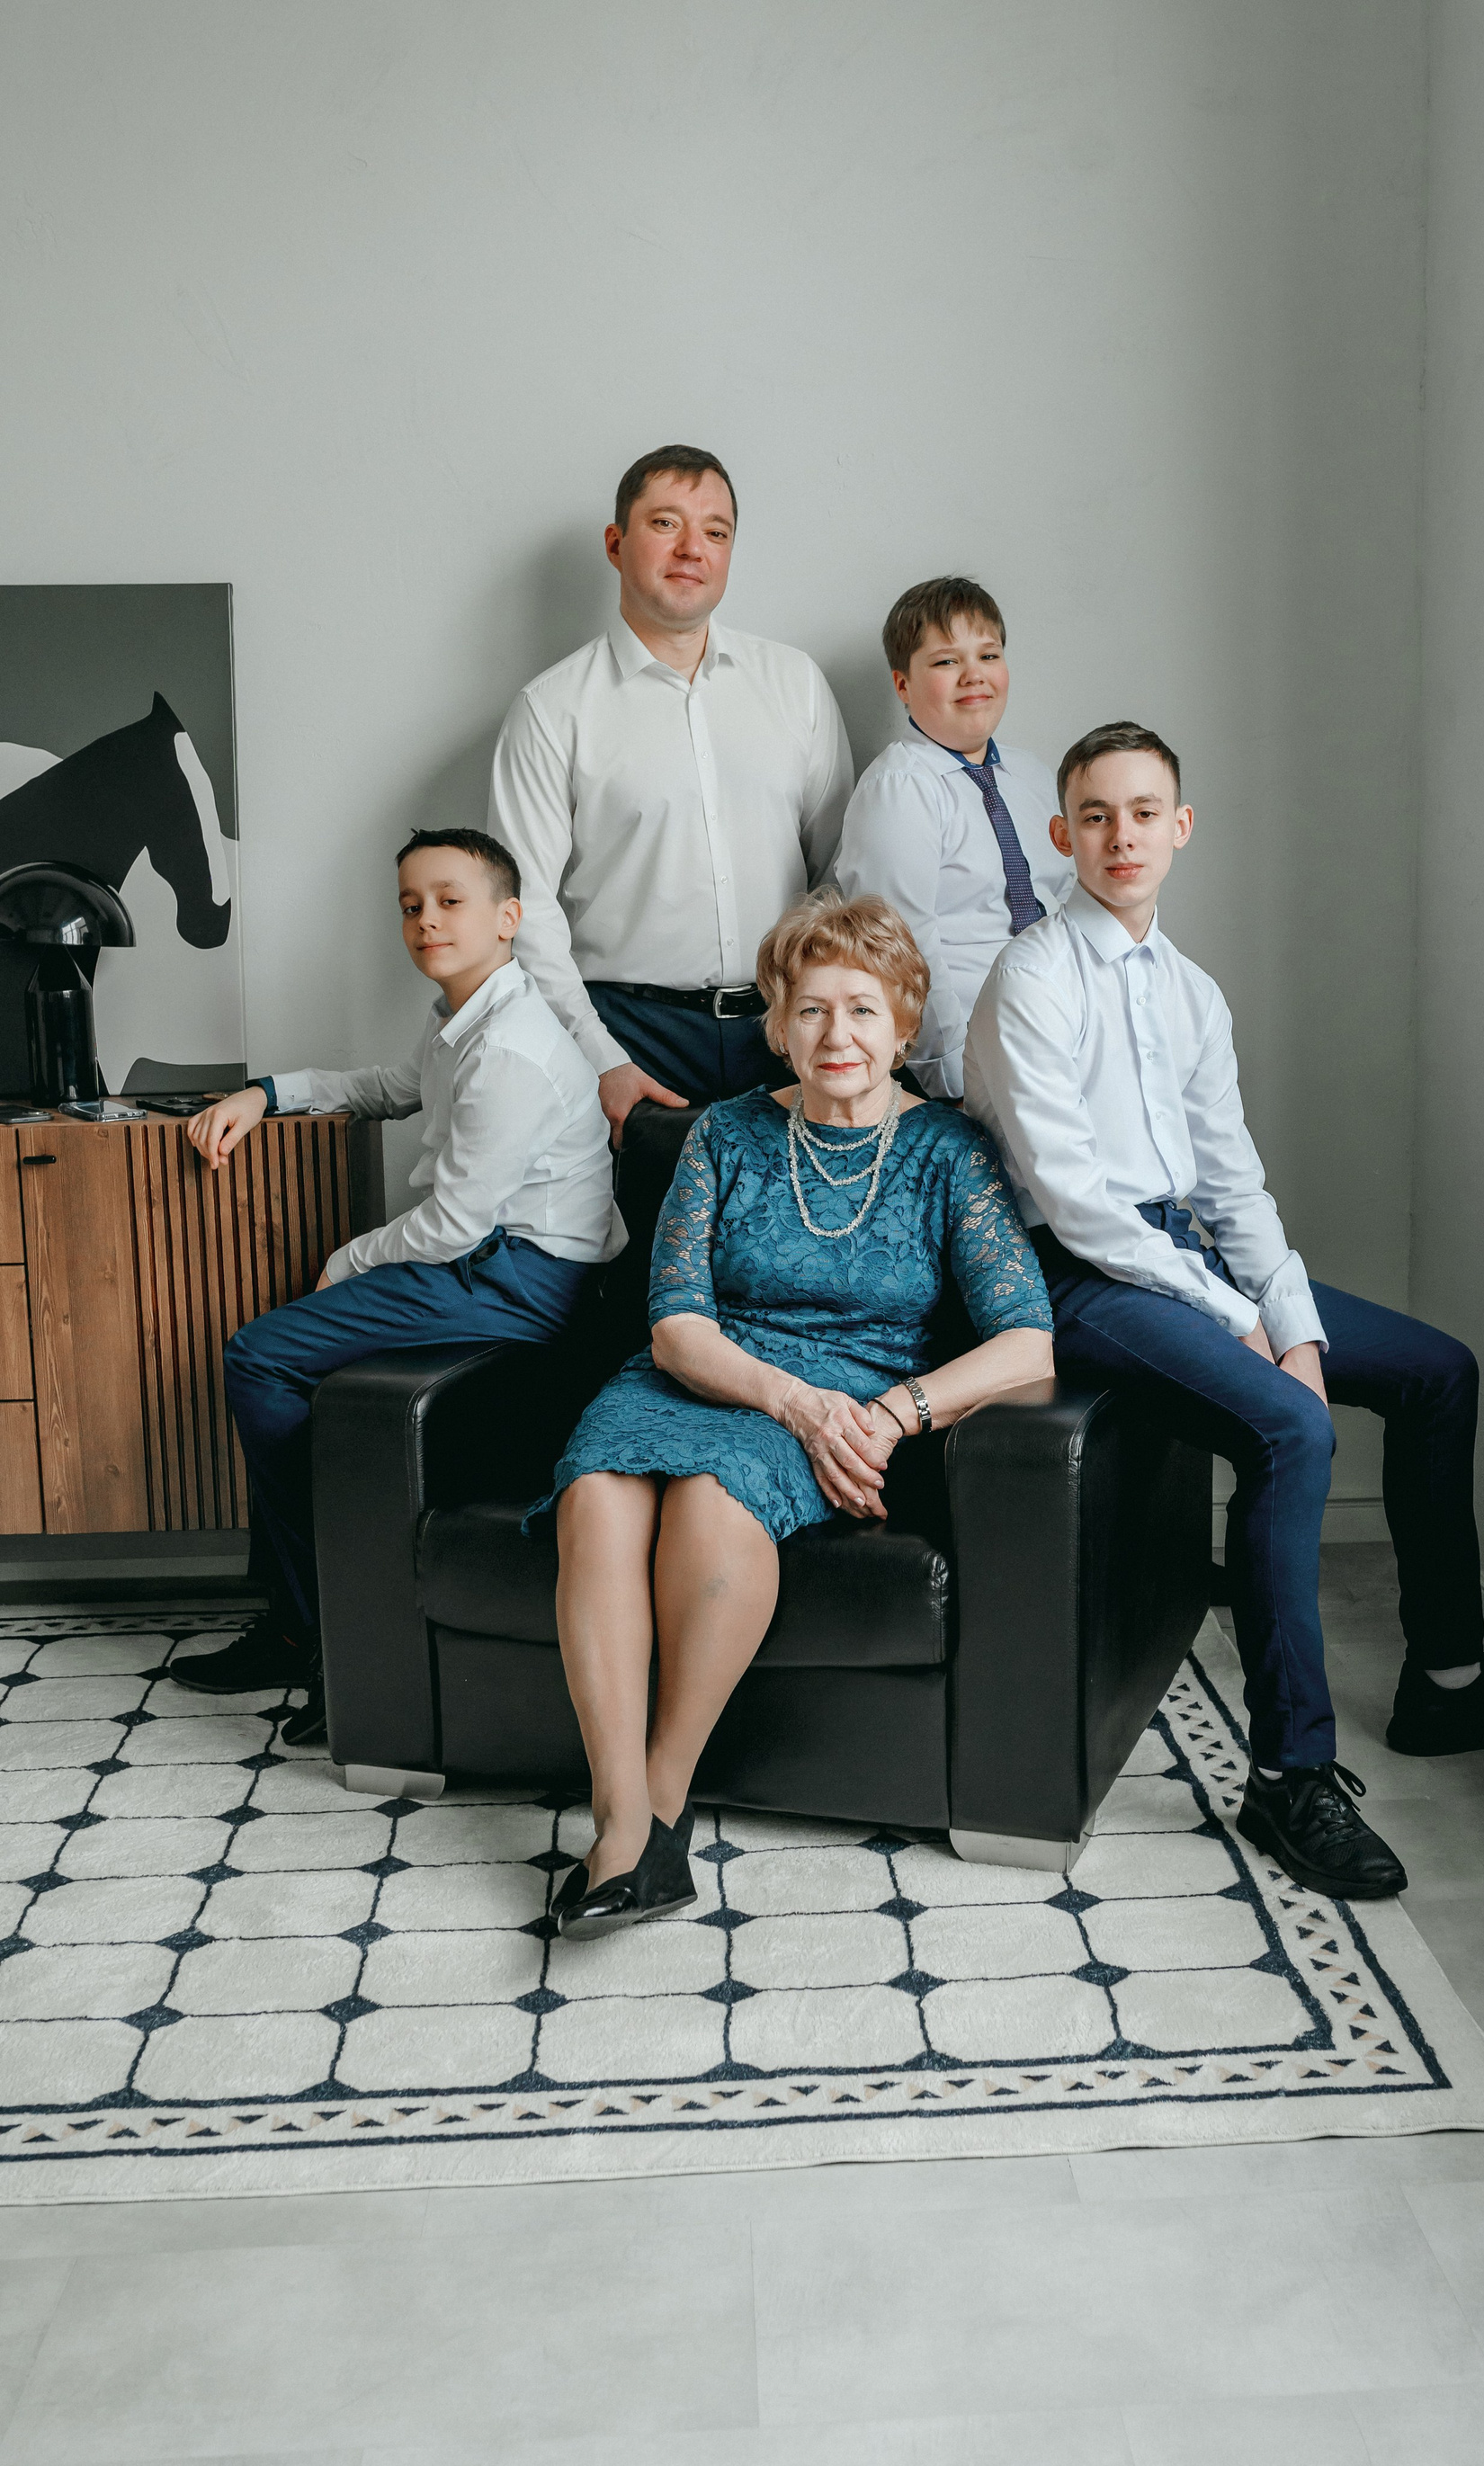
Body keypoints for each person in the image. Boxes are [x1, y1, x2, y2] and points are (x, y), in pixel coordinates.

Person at [964, 721, 1484, 1902]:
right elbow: (1076, 1203)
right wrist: (1236, 1320)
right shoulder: (1031, 979)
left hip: (1187, 1248)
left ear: (1180, 828)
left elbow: (1232, 1185)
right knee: (1291, 1425)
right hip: (1080, 1274)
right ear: (1062, 834)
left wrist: (1291, 1320)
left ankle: (1449, 1684)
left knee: (1438, 1372)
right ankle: (1287, 1775)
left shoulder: (1192, 992)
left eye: (1143, 813)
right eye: (1095, 816)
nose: (1120, 836)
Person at [538, 889, 1053, 1934]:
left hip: (855, 1392)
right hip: (708, 1377)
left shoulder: (948, 1151)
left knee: (711, 1501)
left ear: (903, 1025)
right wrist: (791, 1401)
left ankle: (662, 1802)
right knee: (594, 1495)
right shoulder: (721, 1135)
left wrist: (895, 1412)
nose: (836, 1034)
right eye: (811, 1009)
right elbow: (677, 1325)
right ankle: (619, 1819)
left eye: (863, 1009)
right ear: (778, 1025)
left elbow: (1027, 1344)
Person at [171, 827, 623, 1743]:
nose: (426, 921)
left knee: (258, 1356)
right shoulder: (465, 1017)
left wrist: (346, 1260)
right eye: (411, 905)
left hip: (522, 1278)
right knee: (276, 1365)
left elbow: (453, 1223)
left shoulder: (511, 1046)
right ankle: (309, 1620)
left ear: (509, 917)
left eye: (451, 901)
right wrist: (267, 1092)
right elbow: (392, 1086)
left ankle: (318, 1626)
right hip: (485, 1260)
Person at [487, 444, 854, 1135]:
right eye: (665, 524)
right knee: (644, 1211)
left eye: (715, 531)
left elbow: (837, 870)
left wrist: (824, 1020)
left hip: (785, 1031)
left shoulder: (796, 685)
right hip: (630, 1037)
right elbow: (522, 907)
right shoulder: (552, 709)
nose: (692, 549)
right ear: (615, 543)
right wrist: (600, 1058)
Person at [835, 576, 1071, 1098]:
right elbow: (901, 948)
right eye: (946, 661)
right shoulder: (900, 788)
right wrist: (951, 1076)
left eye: (988, 655)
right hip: (974, 1056)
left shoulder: (1034, 777)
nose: (974, 676)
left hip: (1064, 1033)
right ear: (903, 685)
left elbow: (1068, 904)